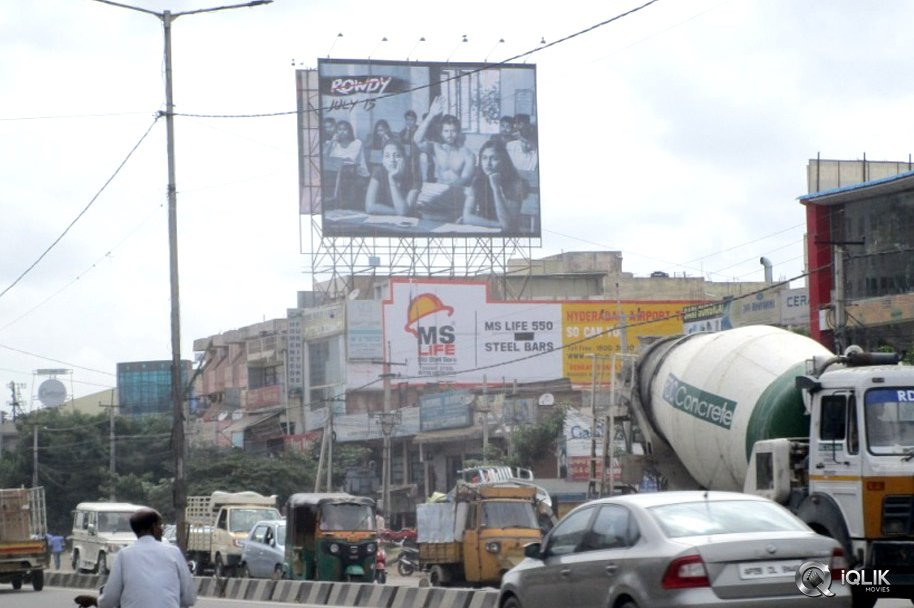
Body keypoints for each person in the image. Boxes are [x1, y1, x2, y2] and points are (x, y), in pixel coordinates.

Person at [74, 508, 196, 608]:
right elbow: (189, 598)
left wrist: (95, 601)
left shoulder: (124, 555)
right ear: (153, 527)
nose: (162, 530)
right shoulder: (174, 552)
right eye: (160, 525)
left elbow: (110, 599)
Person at [413, 96, 476, 221]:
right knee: (419, 212)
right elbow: (417, 140)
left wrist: (446, 191)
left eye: (453, 131)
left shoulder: (468, 154)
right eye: (446, 131)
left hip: (457, 194)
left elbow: (466, 179)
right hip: (438, 190)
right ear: (441, 133)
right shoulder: (437, 148)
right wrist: (431, 115)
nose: (450, 135)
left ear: (458, 132)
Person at [461, 139, 527, 231]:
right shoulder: (478, 181)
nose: (488, 163)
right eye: (484, 158)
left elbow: (507, 225)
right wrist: (498, 225)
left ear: (504, 161)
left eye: (494, 158)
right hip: (486, 230)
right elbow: (467, 217)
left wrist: (496, 189)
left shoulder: (515, 183)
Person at [364, 140, 419, 216]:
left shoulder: (414, 177)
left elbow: (403, 211)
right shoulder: (378, 172)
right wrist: (397, 211)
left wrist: (392, 180)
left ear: (404, 159)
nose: (392, 160)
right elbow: (370, 207)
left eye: (397, 156)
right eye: (387, 156)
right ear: (383, 161)